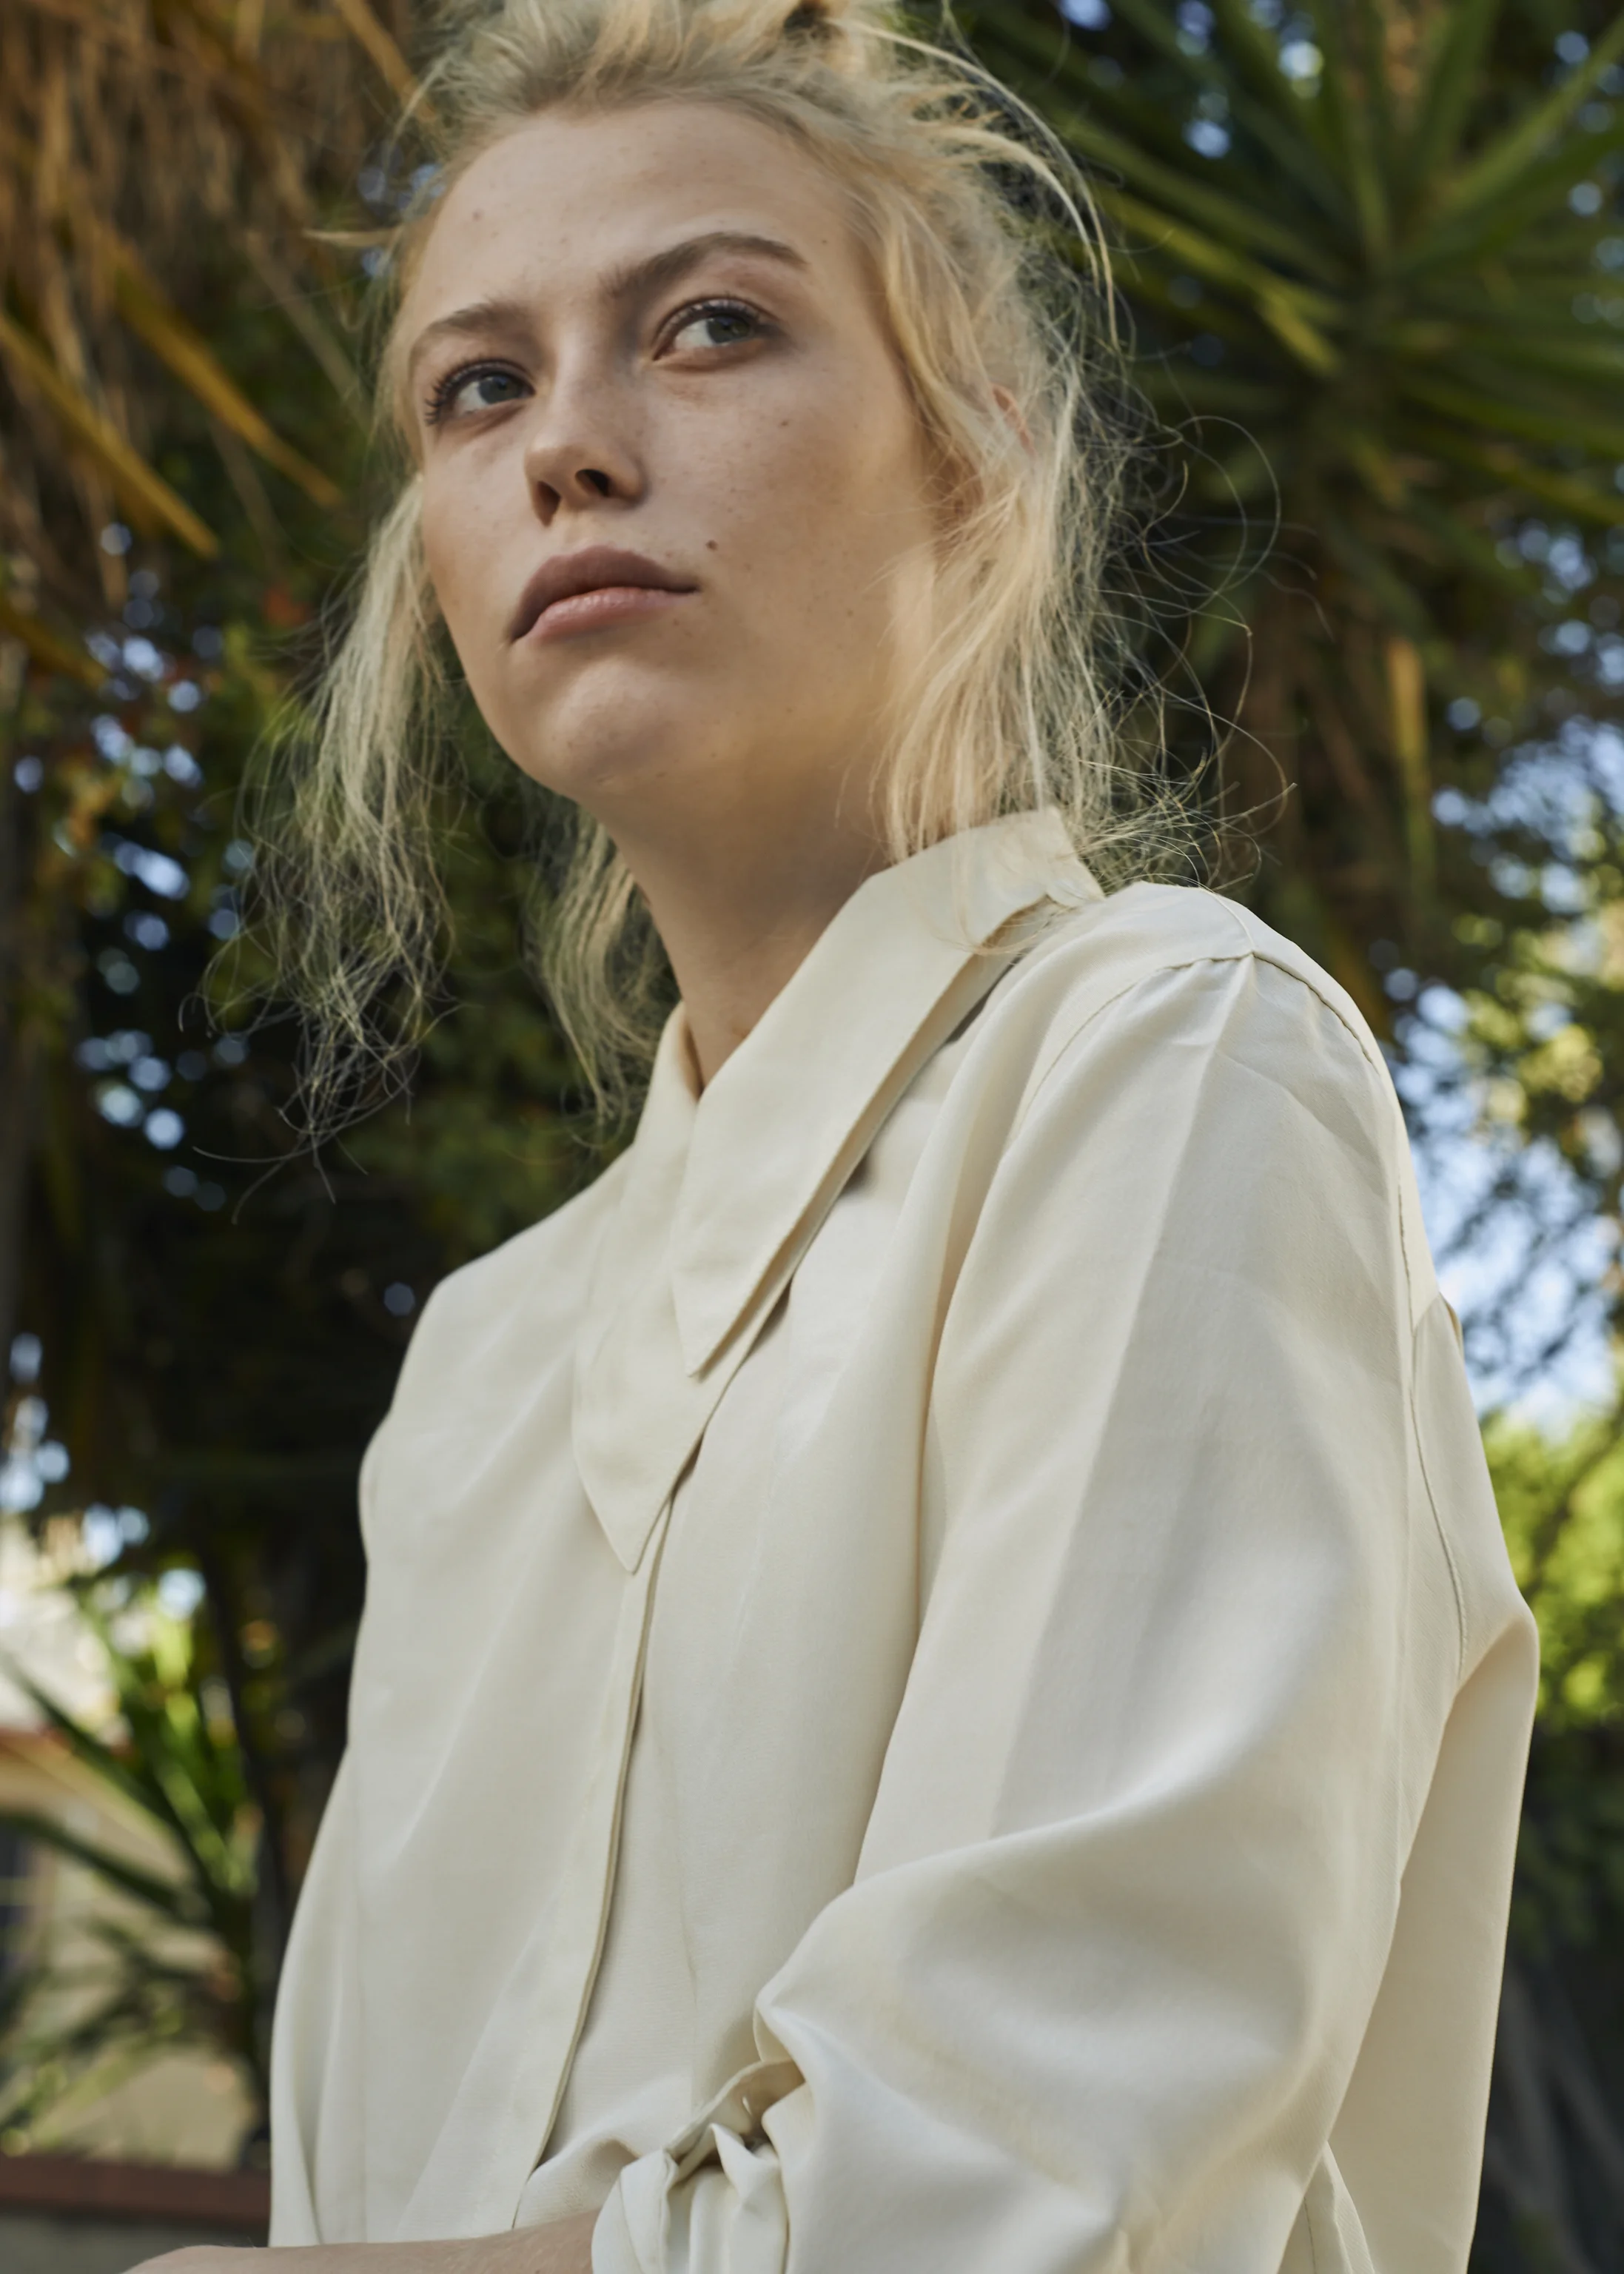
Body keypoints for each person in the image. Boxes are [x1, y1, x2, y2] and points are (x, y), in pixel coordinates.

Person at [132, 2, 1537, 2269]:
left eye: (710, 325)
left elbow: (1029, 2180)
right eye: (475, 386)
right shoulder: (479, 1370)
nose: (565, 446)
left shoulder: (1169, 1059)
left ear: (977, 448)